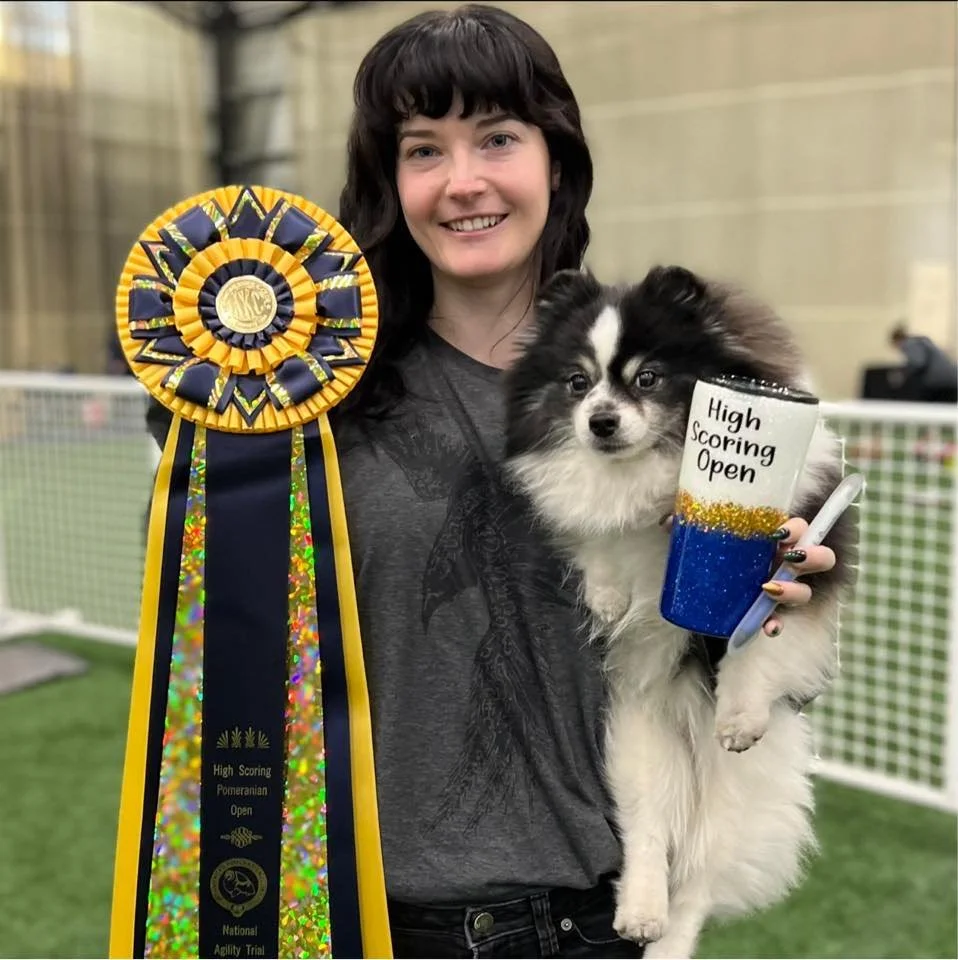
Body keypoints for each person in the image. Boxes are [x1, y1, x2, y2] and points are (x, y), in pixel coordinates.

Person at [146, 5, 839, 957]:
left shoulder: (690, 388)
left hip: (600, 919)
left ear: (558, 161)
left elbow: (711, 671)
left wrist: (773, 599)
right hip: (366, 920)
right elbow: (236, 647)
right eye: (423, 149)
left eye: (498, 138)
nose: (463, 181)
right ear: (388, 180)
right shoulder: (304, 398)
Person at [889, 323, 957, 404]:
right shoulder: (923, 342)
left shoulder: (909, 344)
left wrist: (903, 373)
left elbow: (919, 362)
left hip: (937, 383)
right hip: (952, 380)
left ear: (897, 340)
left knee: (927, 409)